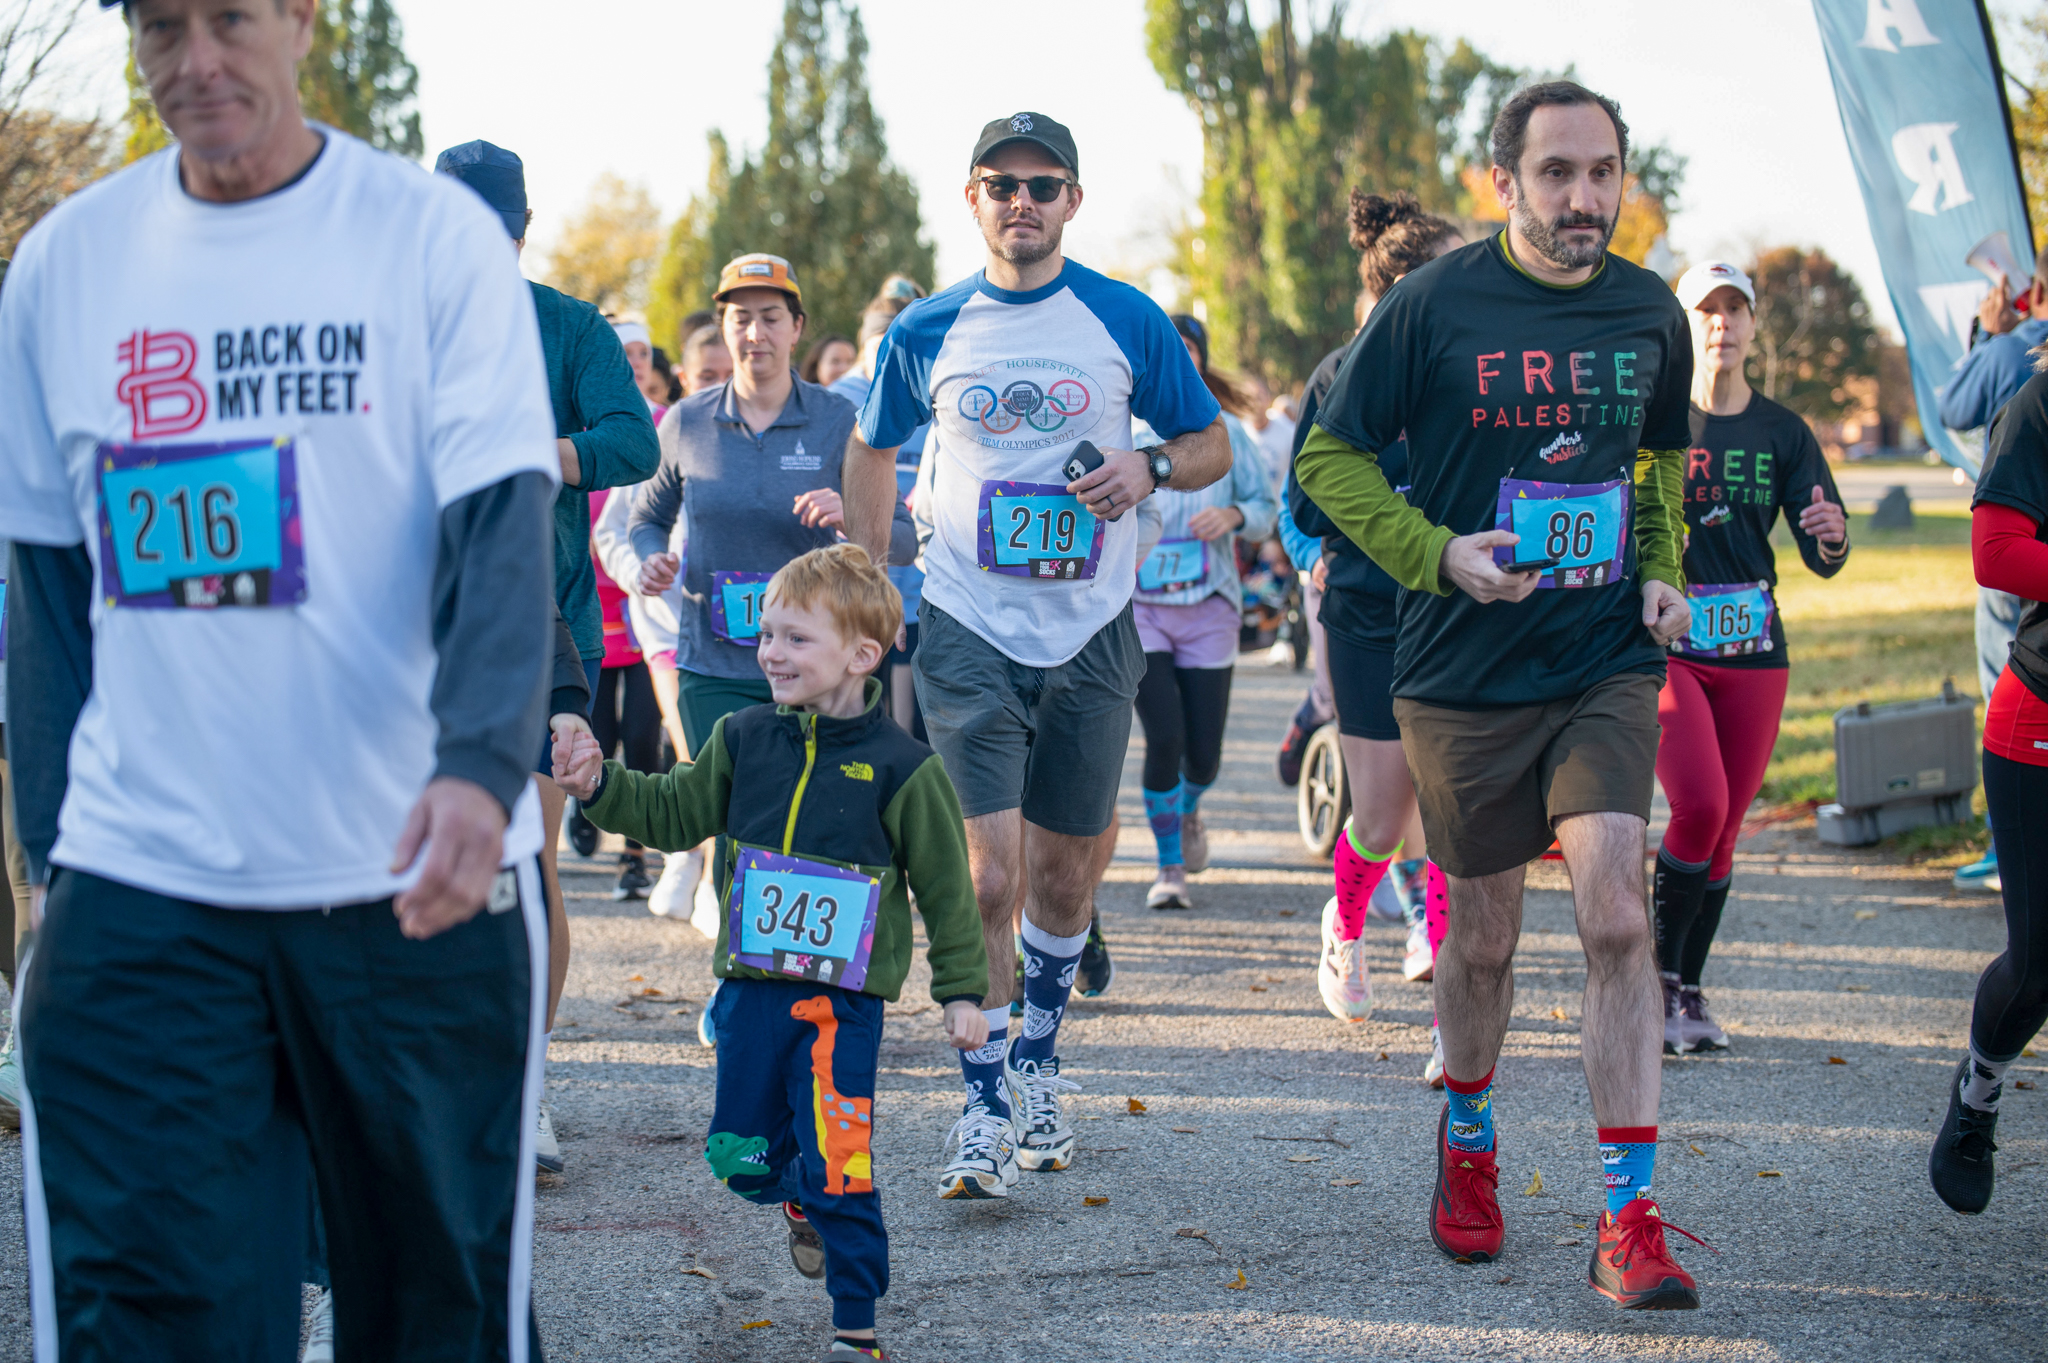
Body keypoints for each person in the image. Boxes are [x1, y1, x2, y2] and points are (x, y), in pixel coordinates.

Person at [0, 1, 561, 1354]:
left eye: (232, 19)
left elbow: (502, 533)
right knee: (151, 1312)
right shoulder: (67, 266)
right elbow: (48, 589)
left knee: (437, 1312)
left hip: (407, 878)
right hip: (147, 882)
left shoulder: (429, 242)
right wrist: (53, 864)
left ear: (301, 18)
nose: (196, 61)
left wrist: (479, 768)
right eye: (161, 26)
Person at [1297, 82, 1708, 1308]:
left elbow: (1655, 459)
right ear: (1503, 184)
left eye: (1601, 172)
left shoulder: (1649, 310)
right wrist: (1434, 553)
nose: (1582, 197)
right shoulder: (1432, 304)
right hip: (1461, 669)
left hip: (1601, 657)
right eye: (1555, 173)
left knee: (1617, 912)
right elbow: (1326, 458)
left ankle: (1626, 1215)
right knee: (1478, 939)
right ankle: (1468, 1136)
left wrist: (1660, 568)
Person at [842, 111, 1230, 1197]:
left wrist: (1149, 466)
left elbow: (1208, 443)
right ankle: (980, 1104)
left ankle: (1040, 1064)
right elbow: (871, 448)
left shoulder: (1123, 317)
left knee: (1065, 874)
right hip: (966, 624)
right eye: (1001, 183)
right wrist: (866, 583)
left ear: (1072, 200)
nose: (1023, 200)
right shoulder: (926, 328)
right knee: (986, 873)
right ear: (971, 199)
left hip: (1092, 633)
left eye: (1043, 184)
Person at [551, 544, 987, 1362]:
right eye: (767, 634)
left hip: (840, 1010)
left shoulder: (905, 768)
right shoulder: (741, 737)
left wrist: (962, 990)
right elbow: (674, 811)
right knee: (739, 1159)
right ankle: (796, 1194)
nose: (771, 653)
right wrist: (601, 786)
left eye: (795, 638)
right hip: (750, 997)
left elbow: (946, 890)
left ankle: (855, 1326)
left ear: (861, 655)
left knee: (842, 1164)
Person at [435, 138, 660, 1175]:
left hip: (545, 629)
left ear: (521, 231)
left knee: (523, 862)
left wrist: (543, 451)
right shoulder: (397, 323)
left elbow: (634, 442)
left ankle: (522, 1082)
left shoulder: (569, 328)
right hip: (413, 636)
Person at [630, 254, 913, 1045]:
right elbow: (646, 517)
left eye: (769, 317)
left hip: (819, 670)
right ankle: (739, 987)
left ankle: (825, 988)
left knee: (819, 827)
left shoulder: (840, 420)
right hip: (717, 661)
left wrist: (852, 513)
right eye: (739, 317)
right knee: (738, 823)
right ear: (723, 329)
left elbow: (904, 536)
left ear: (797, 328)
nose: (754, 332)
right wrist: (650, 558)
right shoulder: (686, 422)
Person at [1656, 262, 1848, 1055]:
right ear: (1685, 325)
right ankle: (1655, 979)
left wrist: (1831, 537)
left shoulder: (1783, 432)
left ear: (1753, 326)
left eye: (1735, 309)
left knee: (1727, 826)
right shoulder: (1658, 421)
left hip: (1756, 652)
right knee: (1699, 805)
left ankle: (1687, 987)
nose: (1722, 323)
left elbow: (1822, 544)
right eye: (1707, 310)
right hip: (1672, 648)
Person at [1287, 192, 1460, 1062]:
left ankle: (1453, 1022)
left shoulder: (1476, 371)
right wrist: (1382, 513)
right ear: (1404, 292)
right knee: (1385, 819)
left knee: (1456, 818)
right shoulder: (1338, 376)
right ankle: (1346, 924)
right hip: (1365, 613)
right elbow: (1302, 507)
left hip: (1458, 611)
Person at [1926, 354, 2048, 1215]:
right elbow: (1996, 552)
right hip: (2039, 716)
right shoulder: (2038, 404)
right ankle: (1978, 1091)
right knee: (2040, 962)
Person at [1130, 314, 1277, 910]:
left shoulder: (1229, 433)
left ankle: (1187, 808)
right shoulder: (1126, 429)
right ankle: (1169, 866)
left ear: (1201, 360)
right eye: (1172, 347)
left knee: (1204, 755)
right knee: (1164, 737)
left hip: (1209, 605)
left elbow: (1266, 508)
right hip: (1142, 610)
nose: (1181, 358)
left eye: (1190, 349)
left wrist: (1234, 517)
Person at [1937, 256, 2048, 897]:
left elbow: (1953, 406)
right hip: (2019, 562)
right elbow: (1998, 555)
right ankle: (2004, 841)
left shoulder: (2003, 346)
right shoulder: (2026, 376)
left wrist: (1984, 337)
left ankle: (2004, 840)